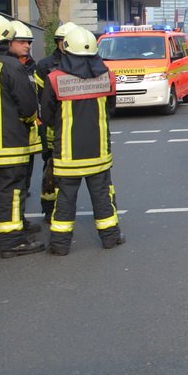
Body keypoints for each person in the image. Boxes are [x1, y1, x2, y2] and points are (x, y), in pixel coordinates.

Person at [40, 26, 123, 255]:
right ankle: (110, 238)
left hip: (67, 155)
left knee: (64, 201)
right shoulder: (107, 76)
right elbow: (111, 110)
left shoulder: (55, 79)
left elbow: (46, 116)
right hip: (98, 152)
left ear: (66, 50)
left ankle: (59, 245)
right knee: (102, 197)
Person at [0, 17, 45, 257]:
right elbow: (27, 107)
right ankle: (12, 241)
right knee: (11, 191)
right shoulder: (11, 67)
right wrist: (28, 120)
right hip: (8, 144)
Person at [35, 21, 78, 221]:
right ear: (58, 42)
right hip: (52, 128)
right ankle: (49, 207)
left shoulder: (81, 63)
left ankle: (65, 207)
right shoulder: (45, 65)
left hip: (74, 126)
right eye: (63, 41)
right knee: (50, 169)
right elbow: (40, 97)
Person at [7, 21, 43, 225]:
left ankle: (18, 220)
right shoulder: (9, 68)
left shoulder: (31, 66)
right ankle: (12, 230)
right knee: (10, 186)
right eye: (21, 41)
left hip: (28, 135)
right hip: (11, 135)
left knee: (23, 183)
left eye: (28, 42)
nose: (27, 46)